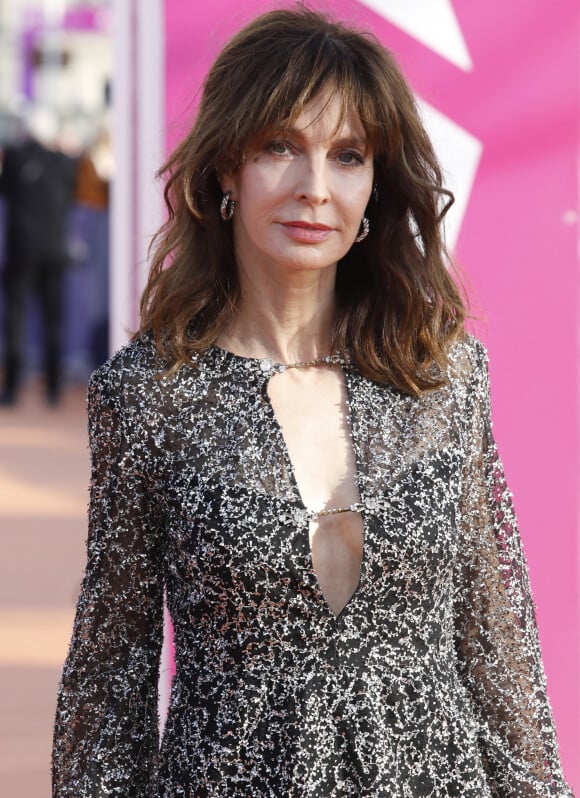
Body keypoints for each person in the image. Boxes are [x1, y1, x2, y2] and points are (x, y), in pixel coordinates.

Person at [52, 8, 573, 797]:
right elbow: (109, 681)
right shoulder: (148, 397)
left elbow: (498, 649)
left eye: (348, 155)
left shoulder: (443, 378)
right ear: (227, 166)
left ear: (375, 181)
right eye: (280, 148)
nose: (314, 189)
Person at [0, 106, 77, 404]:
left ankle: (12, 387)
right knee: (53, 318)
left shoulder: (16, 157)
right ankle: (54, 388)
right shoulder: (65, 162)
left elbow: (5, 189)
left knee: (16, 319)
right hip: (54, 250)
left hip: (22, 250)